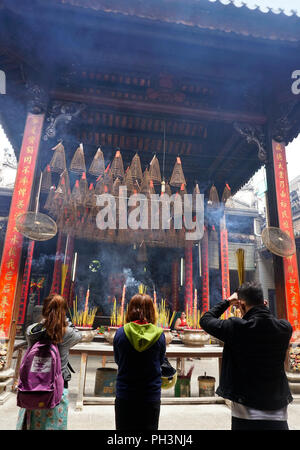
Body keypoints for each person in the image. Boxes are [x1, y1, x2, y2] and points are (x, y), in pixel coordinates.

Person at [200, 281, 293, 430]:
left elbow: (205, 320)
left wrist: (228, 302)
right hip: (278, 412)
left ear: (241, 305)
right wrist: (262, 308)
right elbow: (267, 322)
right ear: (264, 303)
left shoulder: (236, 328)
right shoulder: (284, 328)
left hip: (246, 413)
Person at [16, 293, 82, 430]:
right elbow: (79, 336)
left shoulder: (31, 330)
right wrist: (67, 323)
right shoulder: (68, 332)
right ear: (64, 311)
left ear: (44, 309)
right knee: (53, 424)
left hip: (32, 384)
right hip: (58, 384)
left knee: (32, 423)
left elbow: (42, 329)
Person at [113, 293, 166, 430]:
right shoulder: (159, 335)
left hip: (125, 393)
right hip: (150, 394)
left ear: (130, 310)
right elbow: (160, 361)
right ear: (151, 311)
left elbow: (118, 360)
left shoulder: (120, 333)